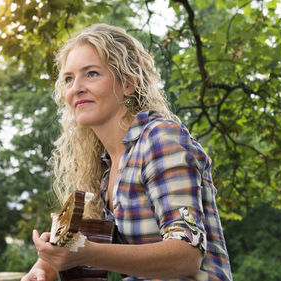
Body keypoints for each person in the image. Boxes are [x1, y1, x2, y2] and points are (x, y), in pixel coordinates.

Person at [21, 24, 232, 281]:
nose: (76, 88)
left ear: (129, 83)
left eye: (91, 74)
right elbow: (89, 251)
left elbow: (187, 255)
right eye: (69, 79)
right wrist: (49, 264)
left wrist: (84, 252)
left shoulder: (159, 139)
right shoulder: (105, 167)